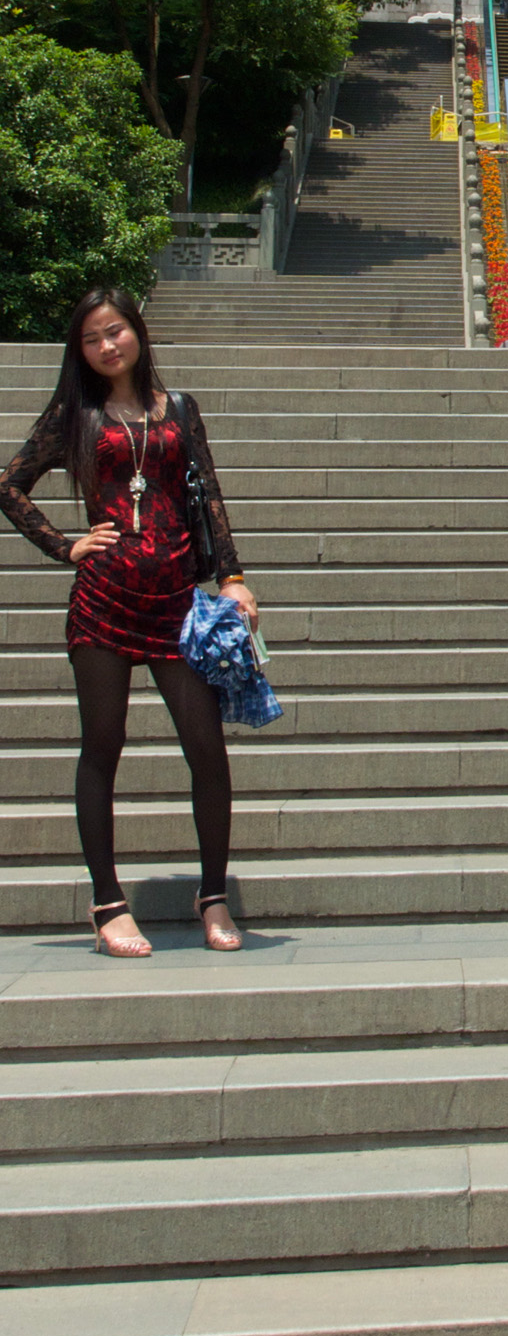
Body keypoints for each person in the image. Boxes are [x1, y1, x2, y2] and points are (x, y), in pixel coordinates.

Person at [0, 289, 258, 957]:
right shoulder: (76, 413)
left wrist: (231, 577)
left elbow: (210, 493)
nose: (107, 345)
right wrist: (65, 543)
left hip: (176, 599)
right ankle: (109, 904)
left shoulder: (178, 410)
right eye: (92, 338)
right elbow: (9, 483)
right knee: (102, 746)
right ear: (80, 351)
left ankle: (213, 897)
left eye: (115, 331)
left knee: (206, 747)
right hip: (104, 600)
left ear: (137, 332)